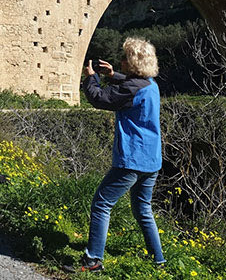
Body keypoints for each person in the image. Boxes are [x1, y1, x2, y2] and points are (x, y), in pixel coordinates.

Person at [65, 37, 165, 273]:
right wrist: (113, 75)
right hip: (152, 161)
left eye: (124, 58)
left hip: (131, 159)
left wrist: (91, 77)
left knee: (101, 203)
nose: (120, 61)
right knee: (143, 210)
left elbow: (100, 99)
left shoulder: (131, 89)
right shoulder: (151, 84)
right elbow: (131, 87)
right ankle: (158, 260)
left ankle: (93, 260)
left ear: (132, 63)